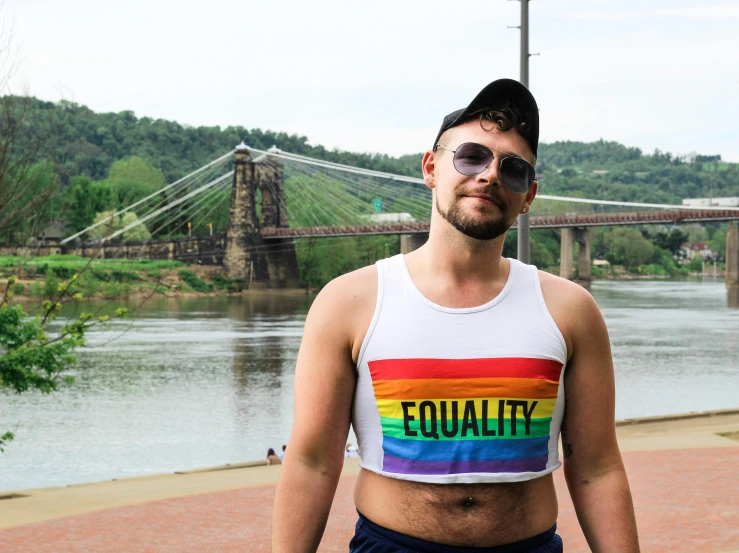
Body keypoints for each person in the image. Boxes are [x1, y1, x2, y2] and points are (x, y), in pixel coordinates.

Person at [272, 79, 640, 553]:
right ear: (431, 167)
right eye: (471, 156)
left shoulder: (570, 310)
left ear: (528, 195)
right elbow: (312, 462)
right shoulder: (349, 303)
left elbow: (596, 469)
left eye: (514, 170)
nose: (489, 176)